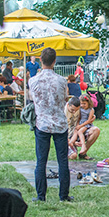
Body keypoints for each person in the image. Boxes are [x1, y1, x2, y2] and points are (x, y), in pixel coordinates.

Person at [29, 47, 72, 202]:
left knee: (41, 161)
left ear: (40, 60)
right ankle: (63, 195)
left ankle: (41, 196)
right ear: (54, 61)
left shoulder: (33, 80)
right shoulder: (62, 80)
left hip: (42, 123)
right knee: (63, 160)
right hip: (60, 123)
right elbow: (65, 98)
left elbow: (32, 98)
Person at [70, 94, 96, 159]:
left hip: (86, 124)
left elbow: (89, 120)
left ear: (88, 103)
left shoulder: (91, 110)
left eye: (84, 104)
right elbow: (78, 118)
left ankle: (83, 146)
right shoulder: (80, 109)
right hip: (80, 124)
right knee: (76, 132)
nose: (82, 105)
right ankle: (72, 143)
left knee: (80, 132)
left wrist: (80, 126)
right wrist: (77, 125)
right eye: (81, 103)